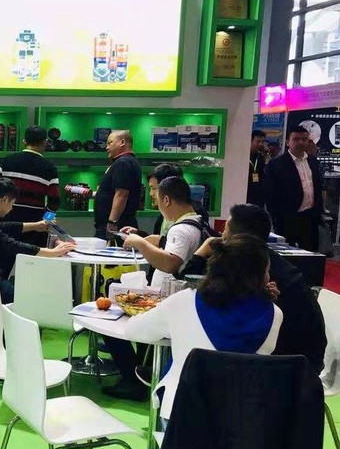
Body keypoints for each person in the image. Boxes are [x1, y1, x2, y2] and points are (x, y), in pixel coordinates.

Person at [125, 234, 283, 424]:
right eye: (267, 271)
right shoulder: (275, 315)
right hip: (242, 421)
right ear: (257, 277)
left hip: (182, 414)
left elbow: (133, 330)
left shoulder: (183, 301)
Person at [181, 203, 326, 373]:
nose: (221, 234)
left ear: (236, 238)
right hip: (302, 362)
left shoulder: (242, 269)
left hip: (279, 368)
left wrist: (202, 252)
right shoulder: (274, 263)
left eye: (225, 230)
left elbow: (189, 283)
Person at [101, 177, 208, 401]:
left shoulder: (181, 230)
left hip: (167, 303)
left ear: (166, 199)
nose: (154, 199)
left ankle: (133, 380)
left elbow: (170, 262)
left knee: (110, 324)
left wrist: (140, 244)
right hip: (172, 301)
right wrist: (147, 239)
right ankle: (140, 373)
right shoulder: (195, 222)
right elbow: (171, 246)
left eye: (155, 195)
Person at [0, 178, 75, 304]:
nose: (11, 208)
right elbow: (12, 245)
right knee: (34, 297)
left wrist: (36, 226)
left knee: (24, 286)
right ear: (4, 200)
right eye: (12, 204)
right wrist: (52, 252)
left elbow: (5, 227)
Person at [0, 125, 60, 248]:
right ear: (45, 142)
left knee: (3, 257)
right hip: (35, 227)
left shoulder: (7, 161)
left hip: (7, 222)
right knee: (31, 258)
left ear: (24, 141)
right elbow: (55, 202)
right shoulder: (49, 169)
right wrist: (46, 221)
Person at [263, 125, 323, 251]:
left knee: (311, 254)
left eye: (304, 139)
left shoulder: (313, 162)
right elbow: (269, 193)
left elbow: (317, 188)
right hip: (286, 218)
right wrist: (275, 216)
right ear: (287, 142)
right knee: (287, 255)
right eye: (296, 139)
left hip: (310, 217)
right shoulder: (276, 164)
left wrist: (318, 213)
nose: (300, 142)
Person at [93, 130, 142, 240]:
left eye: (110, 143)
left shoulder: (123, 163)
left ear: (122, 142)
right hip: (119, 224)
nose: (107, 147)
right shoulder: (128, 162)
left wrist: (112, 222)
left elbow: (121, 194)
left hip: (117, 226)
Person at [247, 129, 268, 208]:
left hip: (258, 194)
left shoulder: (261, 156)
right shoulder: (244, 156)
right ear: (250, 140)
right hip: (246, 192)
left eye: (262, 142)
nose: (260, 144)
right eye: (258, 141)